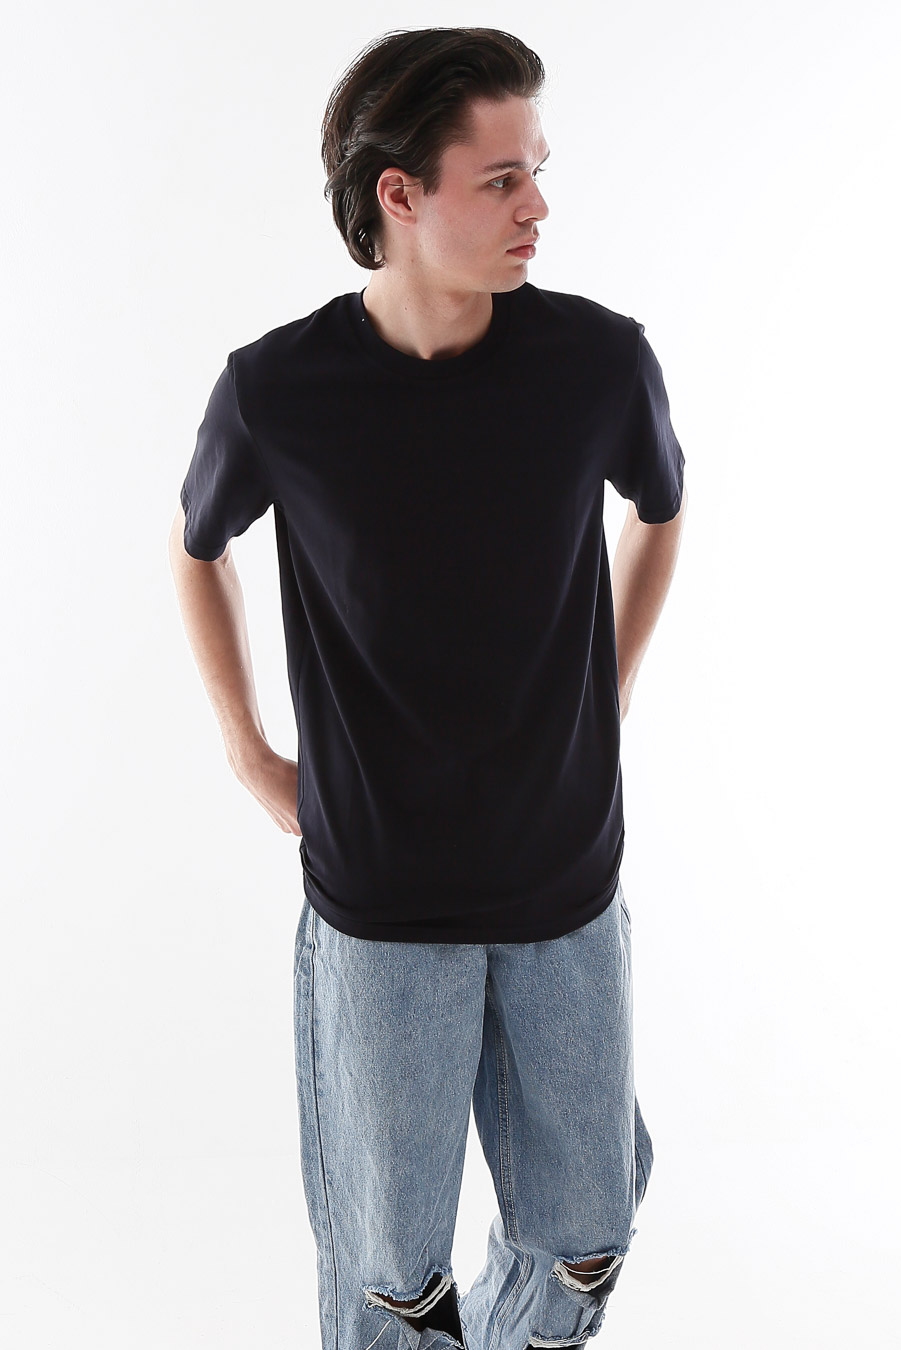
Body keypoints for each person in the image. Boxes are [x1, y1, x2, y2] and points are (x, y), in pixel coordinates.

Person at [168, 25, 686, 1350]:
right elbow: (199, 546)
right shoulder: (279, 390)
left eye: (538, 170)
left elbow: (660, 510)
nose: (538, 206)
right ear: (399, 193)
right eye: (502, 178)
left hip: (564, 879)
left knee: (587, 1232)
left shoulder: (599, 362)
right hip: (382, 898)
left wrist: (610, 686)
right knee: (391, 1269)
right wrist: (247, 752)